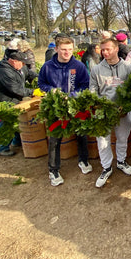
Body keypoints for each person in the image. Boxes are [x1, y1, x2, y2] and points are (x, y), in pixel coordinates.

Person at [38, 36, 92, 186]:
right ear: (56, 49)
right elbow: (41, 83)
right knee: (55, 138)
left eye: (69, 49)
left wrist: (73, 95)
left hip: (75, 106)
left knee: (81, 134)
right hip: (55, 108)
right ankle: (53, 170)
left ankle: (83, 160)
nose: (66, 52)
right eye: (63, 49)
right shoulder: (47, 66)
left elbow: (85, 84)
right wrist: (52, 91)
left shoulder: (79, 66)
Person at [89, 38, 131, 188]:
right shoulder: (96, 69)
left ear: (116, 49)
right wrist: (98, 105)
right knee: (103, 141)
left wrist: (128, 103)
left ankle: (121, 161)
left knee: (122, 138)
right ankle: (106, 167)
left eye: (108, 49)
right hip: (103, 112)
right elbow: (92, 90)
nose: (105, 52)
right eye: (102, 50)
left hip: (123, 111)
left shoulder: (128, 68)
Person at [0, 50, 37, 155]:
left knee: (17, 121)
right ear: (12, 61)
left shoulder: (21, 67)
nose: (24, 65)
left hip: (15, 100)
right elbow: (16, 89)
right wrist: (33, 91)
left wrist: (40, 79)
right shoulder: (3, 72)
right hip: (4, 101)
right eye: (22, 62)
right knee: (5, 124)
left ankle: (17, 141)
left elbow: (30, 74)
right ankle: (2, 148)